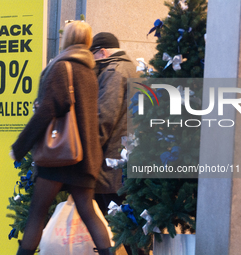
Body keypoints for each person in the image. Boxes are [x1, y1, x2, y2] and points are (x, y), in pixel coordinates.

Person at [10, 21, 113, 255]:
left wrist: (20, 146)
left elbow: (47, 110)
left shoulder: (61, 67)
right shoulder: (89, 70)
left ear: (65, 39)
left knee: (37, 211)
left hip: (59, 156)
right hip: (84, 156)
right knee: (88, 212)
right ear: (87, 41)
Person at [90, 33, 142, 255]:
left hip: (112, 162)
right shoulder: (131, 69)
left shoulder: (113, 71)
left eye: (93, 55)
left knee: (117, 222)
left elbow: (105, 116)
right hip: (127, 158)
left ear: (102, 52)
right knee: (126, 223)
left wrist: (90, 149)